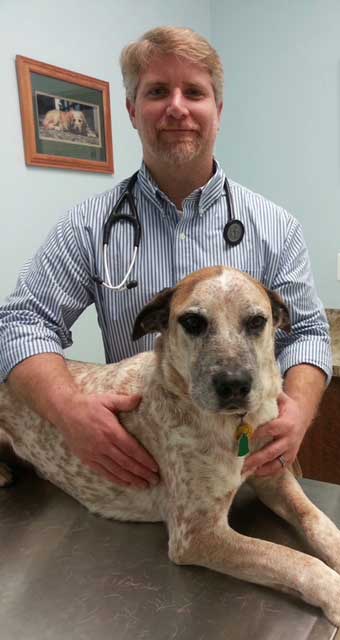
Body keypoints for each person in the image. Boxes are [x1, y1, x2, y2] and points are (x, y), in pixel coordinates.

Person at [0, 27, 331, 489]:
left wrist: (297, 412)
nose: (177, 107)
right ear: (133, 111)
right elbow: (21, 322)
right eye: (157, 91)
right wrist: (69, 413)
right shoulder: (88, 226)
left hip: (254, 457)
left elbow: (310, 332)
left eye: (194, 92)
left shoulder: (275, 227)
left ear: (218, 110)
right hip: (148, 464)